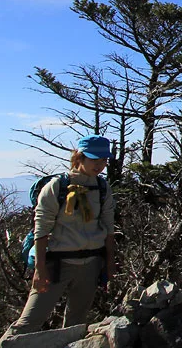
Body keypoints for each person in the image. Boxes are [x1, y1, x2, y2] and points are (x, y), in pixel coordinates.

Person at [12, 135, 116, 334]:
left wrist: (109, 263)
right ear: (79, 158)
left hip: (91, 263)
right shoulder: (56, 187)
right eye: (94, 159)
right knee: (29, 322)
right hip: (56, 264)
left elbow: (109, 229)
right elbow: (41, 231)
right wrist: (40, 270)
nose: (100, 165)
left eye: (103, 160)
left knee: (76, 323)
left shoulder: (102, 188)